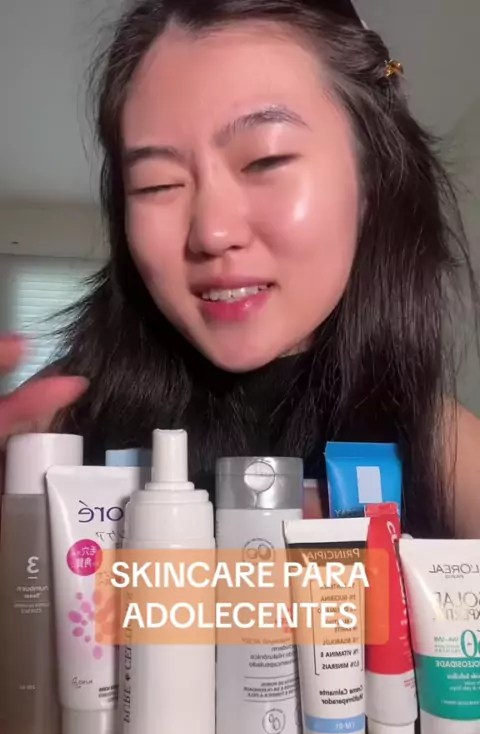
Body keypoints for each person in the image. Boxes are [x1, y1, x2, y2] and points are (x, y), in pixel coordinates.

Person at [1, 0, 479, 537]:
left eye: (265, 160)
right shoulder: (49, 428)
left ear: (373, 180)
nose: (212, 233)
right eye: (157, 184)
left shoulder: (444, 449)